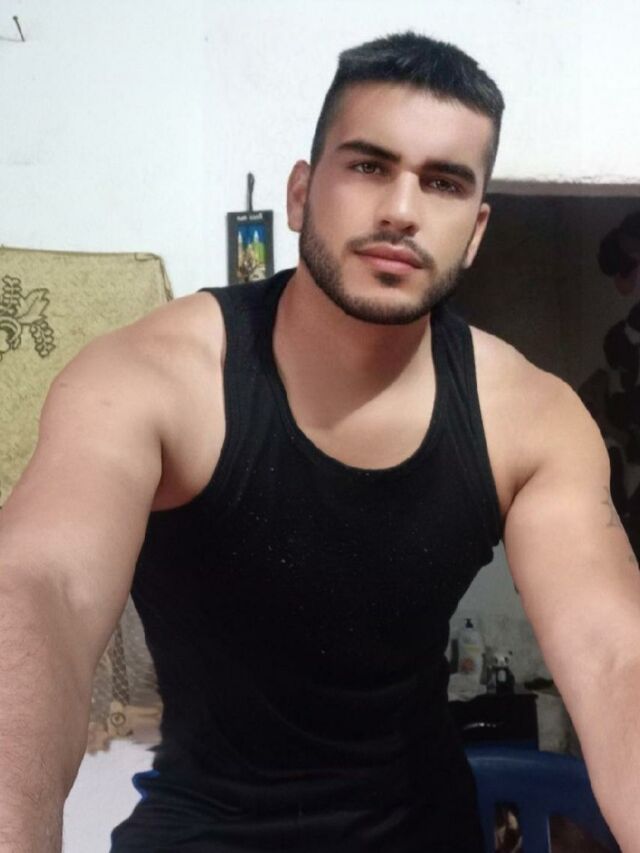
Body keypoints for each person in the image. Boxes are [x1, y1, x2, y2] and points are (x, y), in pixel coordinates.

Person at [1, 30, 639, 853]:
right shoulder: (152, 379)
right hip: (206, 833)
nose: (402, 209)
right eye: (370, 165)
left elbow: (614, 656)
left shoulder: (530, 416)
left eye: (443, 182)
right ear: (301, 194)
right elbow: (39, 588)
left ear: (475, 230)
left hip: (424, 834)